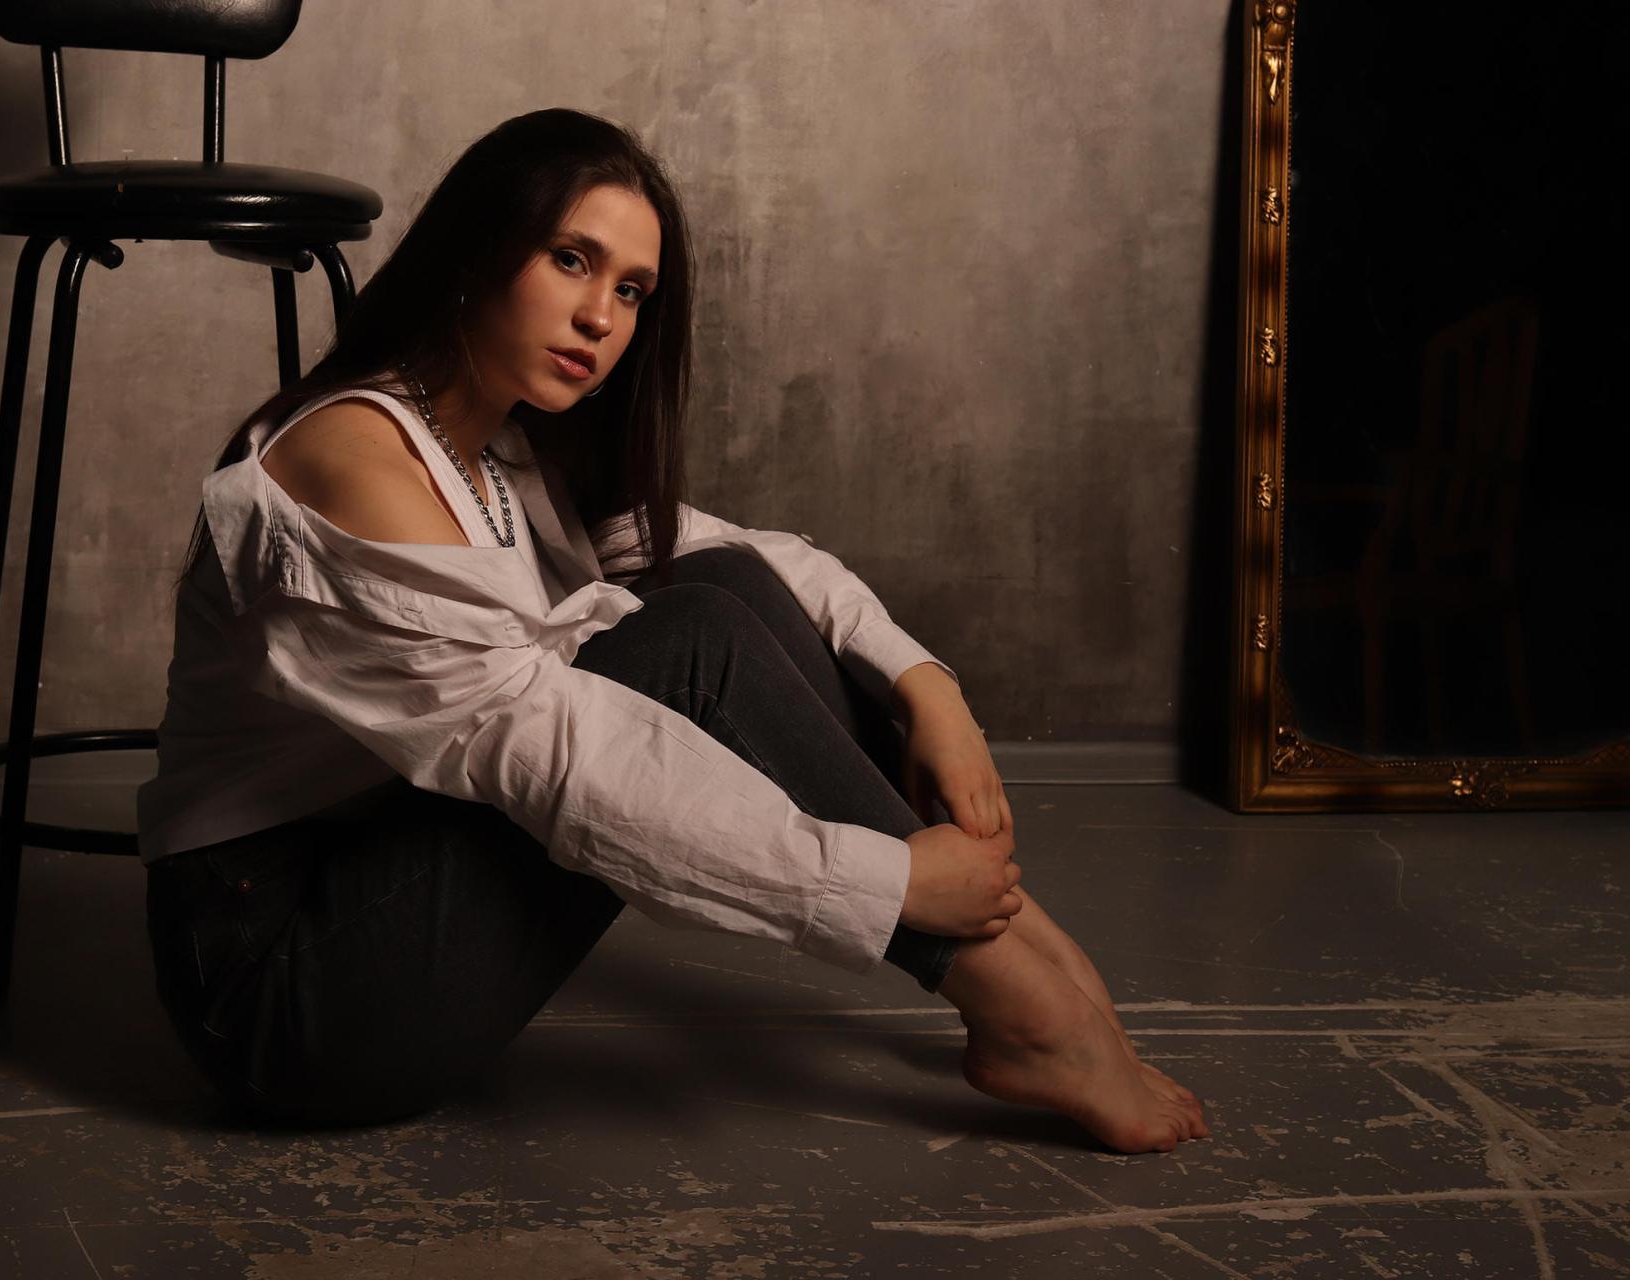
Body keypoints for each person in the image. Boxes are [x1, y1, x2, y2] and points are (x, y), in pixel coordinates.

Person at [137, 107, 1207, 1153]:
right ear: (476, 250)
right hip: (277, 988)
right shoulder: (362, 460)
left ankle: (1016, 948)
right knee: (692, 637)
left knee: (722, 582)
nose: (601, 317)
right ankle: (1023, 998)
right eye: (571, 260)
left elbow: (751, 558)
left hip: (372, 881)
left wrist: (931, 687)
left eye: (631, 290)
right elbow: (566, 761)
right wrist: (881, 887)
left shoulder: (499, 452)